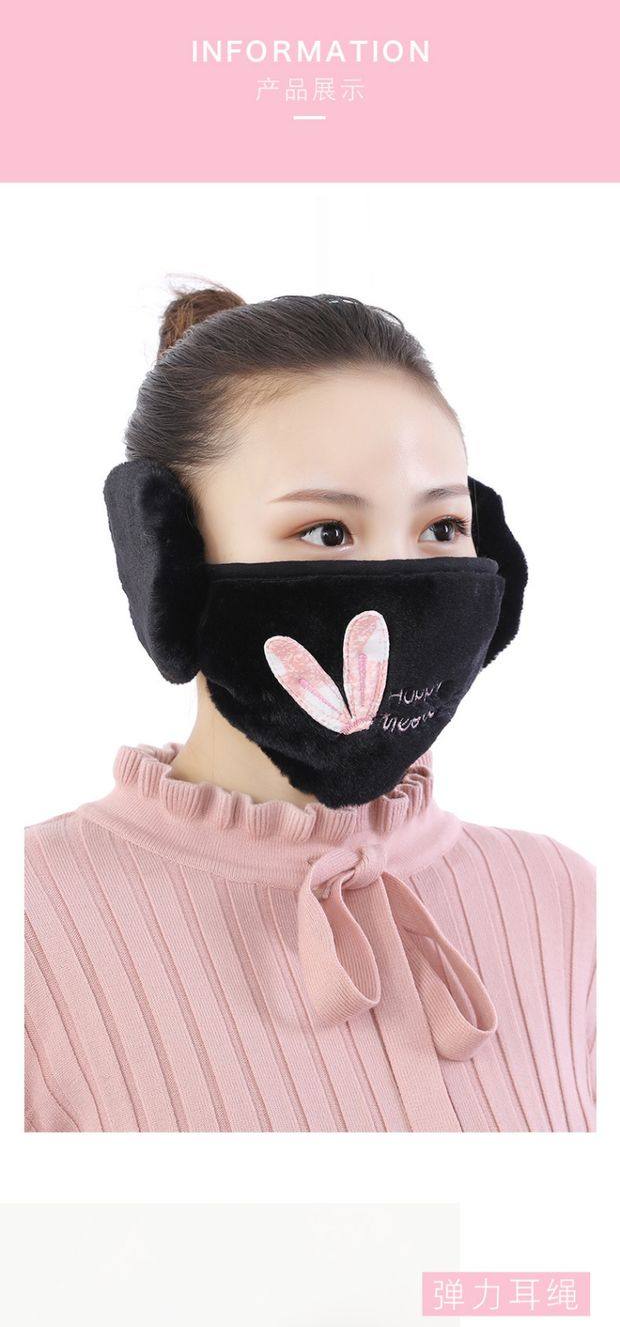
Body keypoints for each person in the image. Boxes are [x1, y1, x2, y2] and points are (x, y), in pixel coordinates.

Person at [24, 286, 595, 1133]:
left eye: (442, 528)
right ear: (166, 557)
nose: (404, 584)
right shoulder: (32, 921)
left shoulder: (565, 902)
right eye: (328, 531)